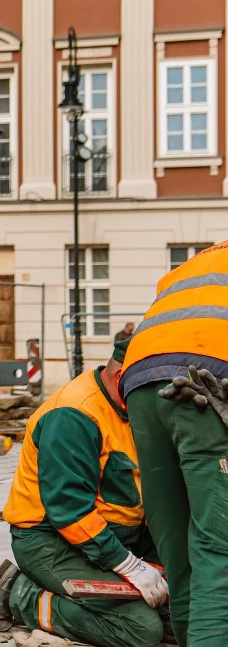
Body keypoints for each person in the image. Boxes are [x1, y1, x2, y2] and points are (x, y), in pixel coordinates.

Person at [0, 337, 167, 647]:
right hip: (52, 542)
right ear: (124, 377)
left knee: (181, 609)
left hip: (113, 537)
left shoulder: (130, 405)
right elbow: (70, 513)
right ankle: (21, 596)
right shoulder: (74, 415)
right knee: (141, 629)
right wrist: (130, 566)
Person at [118, 240, 228, 647]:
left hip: (141, 379)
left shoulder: (200, 259)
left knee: (179, 548)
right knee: (220, 552)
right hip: (208, 383)